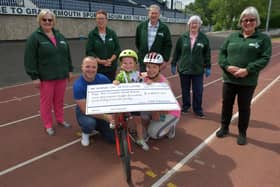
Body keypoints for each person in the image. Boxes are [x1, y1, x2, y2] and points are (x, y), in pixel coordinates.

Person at [216, 6, 272, 145]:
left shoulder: (263, 39)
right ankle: (224, 127)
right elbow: (222, 54)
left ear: (256, 21)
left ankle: (242, 132)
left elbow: (265, 58)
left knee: (244, 107)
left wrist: (247, 70)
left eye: (251, 20)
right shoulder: (232, 36)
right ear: (241, 22)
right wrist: (227, 66)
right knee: (226, 105)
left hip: (248, 81)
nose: (248, 22)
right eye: (245, 20)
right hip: (229, 79)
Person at [24, 9, 73, 136]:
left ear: (53, 21)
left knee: (59, 100)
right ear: (39, 21)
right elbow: (30, 59)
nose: (47, 22)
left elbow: (67, 54)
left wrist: (69, 69)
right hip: (46, 77)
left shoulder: (59, 35)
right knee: (46, 103)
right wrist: (34, 76)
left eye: (50, 20)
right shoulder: (34, 38)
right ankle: (48, 124)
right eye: (44, 19)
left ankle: (60, 119)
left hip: (61, 75)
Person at [171, 15, 211, 118]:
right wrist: (174, 63)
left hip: (198, 70)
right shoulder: (183, 37)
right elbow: (177, 52)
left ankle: (198, 109)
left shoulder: (204, 38)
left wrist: (208, 66)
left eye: (196, 23)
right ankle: (185, 106)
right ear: (189, 25)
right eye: (192, 23)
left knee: (198, 90)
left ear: (199, 25)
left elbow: (207, 53)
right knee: (185, 90)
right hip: (184, 69)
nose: (194, 25)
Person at [73, 57, 115, 146]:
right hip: (85, 112)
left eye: (93, 67)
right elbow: (85, 110)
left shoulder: (103, 79)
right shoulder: (78, 85)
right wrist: (106, 117)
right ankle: (86, 133)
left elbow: (112, 94)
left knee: (113, 139)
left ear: (97, 68)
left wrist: (116, 83)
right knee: (89, 123)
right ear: (82, 67)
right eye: (87, 67)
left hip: (101, 109)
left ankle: (99, 126)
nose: (90, 69)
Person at [113, 49, 149, 151]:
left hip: (135, 103)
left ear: (135, 64)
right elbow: (115, 81)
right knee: (120, 116)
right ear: (121, 64)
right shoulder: (120, 75)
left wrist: (148, 80)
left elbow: (145, 79)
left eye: (130, 63)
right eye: (125, 63)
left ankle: (141, 139)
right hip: (124, 102)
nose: (128, 65)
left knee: (138, 121)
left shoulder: (138, 74)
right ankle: (116, 124)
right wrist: (115, 82)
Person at [142, 52, 181, 139]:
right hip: (154, 108)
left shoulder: (164, 84)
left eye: (154, 67)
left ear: (160, 68)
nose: (151, 70)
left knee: (153, 134)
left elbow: (166, 107)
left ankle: (171, 126)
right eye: (148, 66)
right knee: (141, 114)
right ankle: (147, 127)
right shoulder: (144, 77)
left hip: (169, 111)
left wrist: (156, 113)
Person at [86, 10, 121, 82]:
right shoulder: (92, 34)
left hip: (111, 67)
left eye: (102, 18)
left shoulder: (112, 33)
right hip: (97, 68)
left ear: (106, 20)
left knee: (110, 86)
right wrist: (101, 61)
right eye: (98, 19)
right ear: (96, 20)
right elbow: (89, 51)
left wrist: (110, 60)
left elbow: (117, 49)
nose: (100, 21)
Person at [135, 4, 172, 72]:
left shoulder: (164, 28)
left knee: (155, 81)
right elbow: (138, 42)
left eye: (156, 13)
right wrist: (142, 52)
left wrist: (165, 60)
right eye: (152, 13)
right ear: (148, 14)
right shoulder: (141, 26)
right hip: (144, 61)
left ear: (159, 14)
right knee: (143, 80)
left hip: (156, 62)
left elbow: (168, 45)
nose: (154, 15)